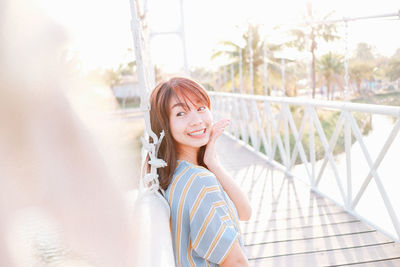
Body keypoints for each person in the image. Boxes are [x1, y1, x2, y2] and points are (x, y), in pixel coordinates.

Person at [147, 77, 252, 266]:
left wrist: (212, 163)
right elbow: (236, 262)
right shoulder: (199, 182)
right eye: (180, 113)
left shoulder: (174, 173)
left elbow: (244, 212)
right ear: (164, 124)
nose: (196, 121)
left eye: (201, 108)